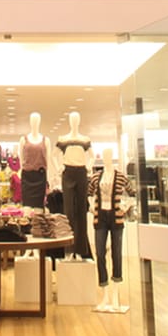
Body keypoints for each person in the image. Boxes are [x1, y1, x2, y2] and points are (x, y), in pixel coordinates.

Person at [89, 148, 129, 311]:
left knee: (116, 253)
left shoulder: (121, 176)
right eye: (104, 155)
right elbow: (89, 194)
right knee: (100, 253)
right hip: (100, 217)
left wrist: (125, 206)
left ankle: (115, 293)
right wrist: (91, 206)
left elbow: (132, 193)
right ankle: (104, 292)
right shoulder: (96, 177)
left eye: (108, 155)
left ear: (112, 157)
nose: (106, 158)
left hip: (116, 217)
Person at [55, 111, 93, 260]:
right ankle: (69, 250)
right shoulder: (63, 139)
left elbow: (92, 156)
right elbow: (53, 155)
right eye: (72, 119)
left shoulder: (85, 139)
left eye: (76, 119)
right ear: (69, 121)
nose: (74, 121)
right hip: (68, 172)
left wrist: (88, 166)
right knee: (69, 211)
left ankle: (81, 250)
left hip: (81, 173)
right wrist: (59, 167)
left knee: (81, 211)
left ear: (79, 120)